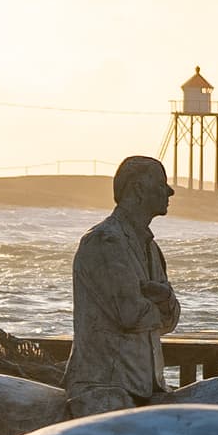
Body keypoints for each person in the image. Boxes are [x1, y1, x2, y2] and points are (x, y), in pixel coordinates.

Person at [64, 154, 180, 414]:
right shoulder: (105, 241)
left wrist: (164, 299)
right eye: (161, 184)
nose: (170, 192)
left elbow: (170, 322)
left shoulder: (151, 248)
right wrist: (161, 303)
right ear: (138, 189)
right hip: (105, 387)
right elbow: (129, 315)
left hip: (147, 387)